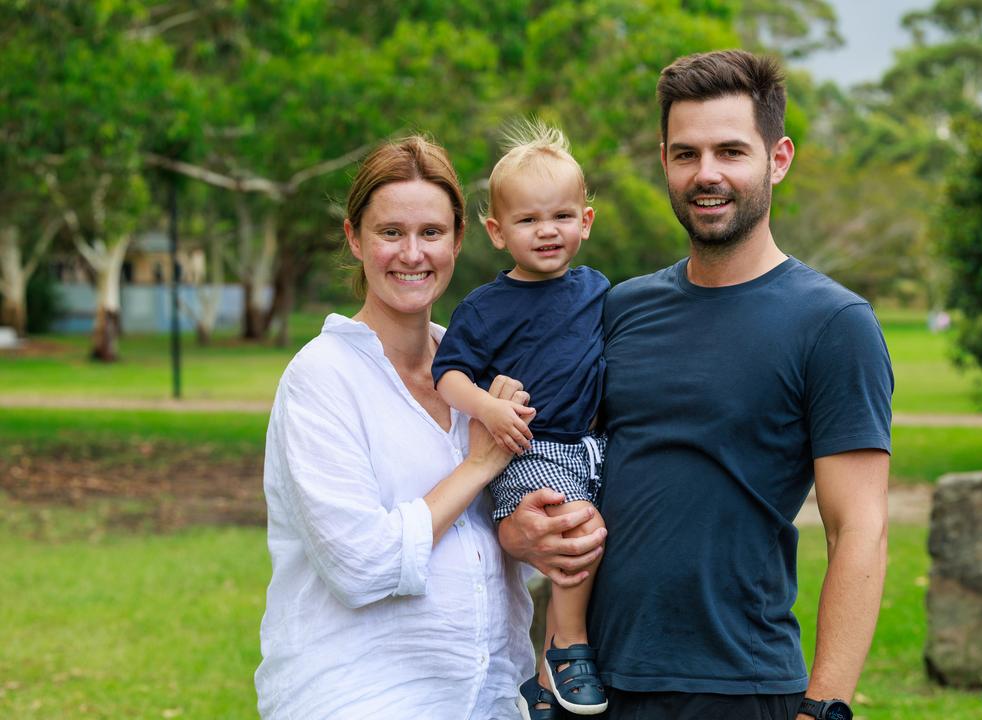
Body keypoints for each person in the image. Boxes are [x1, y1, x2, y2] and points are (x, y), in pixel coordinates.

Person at [499, 49, 893, 720]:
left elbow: (860, 527)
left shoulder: (833, 323)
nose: (706, 174)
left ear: (778, 158)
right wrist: (520, 534)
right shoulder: (619, 308)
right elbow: (564, 465)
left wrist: (824, 706)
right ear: (665, 162)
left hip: (738, 686)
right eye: (686, 154)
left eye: (731, 152)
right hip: (590, 681)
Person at [255, 136, 539, 720]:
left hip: (488, 699)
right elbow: (361, 567)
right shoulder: (322, 377)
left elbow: (502, 551)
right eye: (391, 233)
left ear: (459, 239)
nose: (413, 254)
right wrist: (479, 465)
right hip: (360, 698)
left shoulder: (479, 379)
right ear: (355, 238)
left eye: (431, 233)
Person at [433, 121, 611, 720]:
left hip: (591, 445)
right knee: (574, 534)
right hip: (530, 448)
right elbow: (449, 376)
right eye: (528, 220)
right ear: (497, 232)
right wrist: (489, 407)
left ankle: (541, 687)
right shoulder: (485, 307)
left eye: (561, 216)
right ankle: (567, 648)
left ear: (585, 222)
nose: (546, 231)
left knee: (610, 534)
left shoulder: (598, 292)